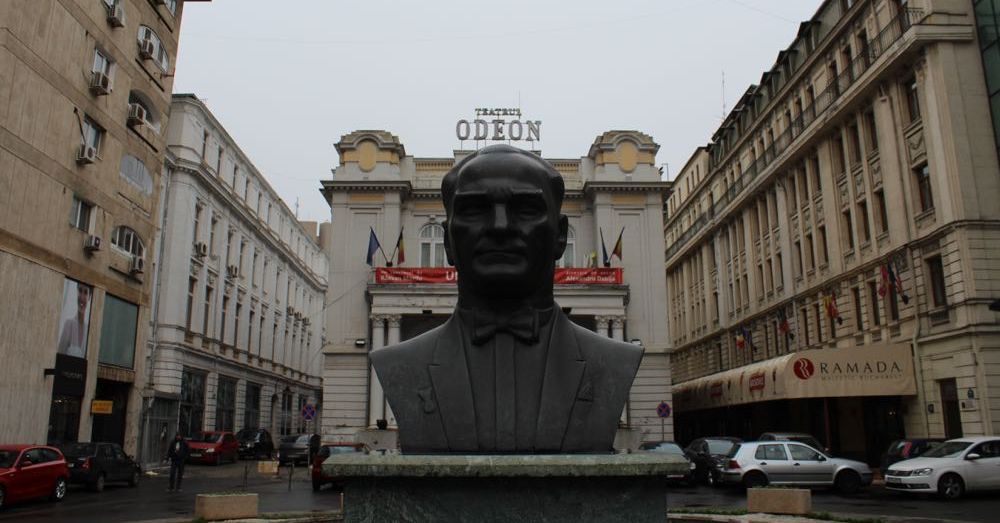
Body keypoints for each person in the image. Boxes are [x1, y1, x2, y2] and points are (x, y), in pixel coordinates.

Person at [371, 145, 643, 454]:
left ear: (559, 236)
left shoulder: (613, 365)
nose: (500, 226)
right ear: (447, 241)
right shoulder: (398, 367)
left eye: (526, 209)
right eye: (474, 210)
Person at [56, 283, 91, 358]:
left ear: (89, 297)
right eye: (80, 291)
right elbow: (59, 357)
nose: (82, 296)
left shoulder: (89, 331)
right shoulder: (68, 324)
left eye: (85, 292)